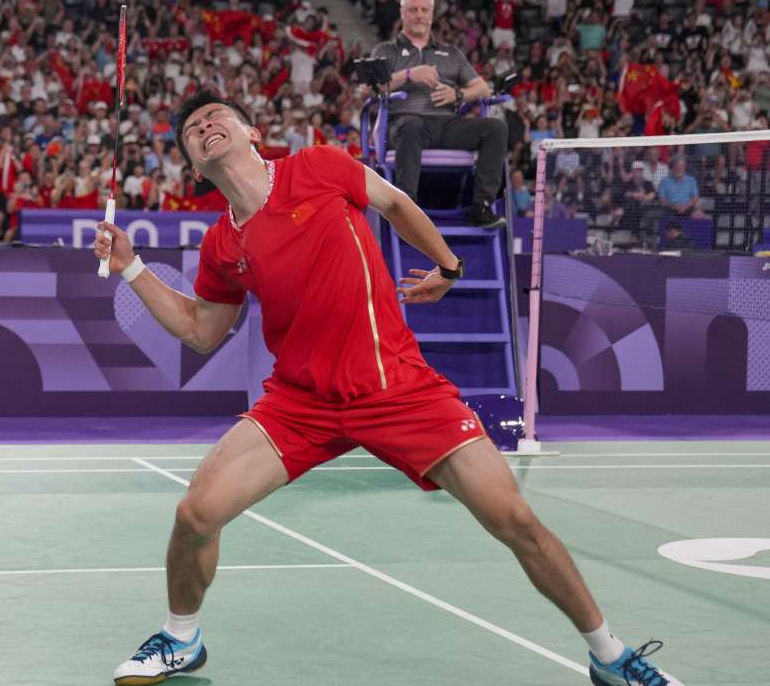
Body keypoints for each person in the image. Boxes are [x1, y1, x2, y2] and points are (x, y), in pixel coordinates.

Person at [97, 90, 681, 686]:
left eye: (216, 116)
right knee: (196, 512)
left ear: (252, 131)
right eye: (193, 128)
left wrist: (449, 268)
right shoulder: (223, 245)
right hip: (301, 401)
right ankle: (180, 637)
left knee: (514, 518)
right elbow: (201, 331)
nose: (205, 126)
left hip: (396, 385)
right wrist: (133, 268)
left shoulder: (319, 167)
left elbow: (397, 205)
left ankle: (610, 655)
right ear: (194, 167)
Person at [372, 0, 509, 228]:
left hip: (447, 126)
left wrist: (458, 95)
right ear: (402, 13)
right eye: (413, 9)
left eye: (424, 10)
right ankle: (407, 208)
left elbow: (483, 88)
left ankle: (481, 207)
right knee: (412, 125)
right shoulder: (386, 50)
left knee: (496, 127)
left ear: (432, 15)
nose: (419, 15)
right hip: (405, 126)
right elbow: (375, 86)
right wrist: (408, 75)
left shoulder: (451, 53)